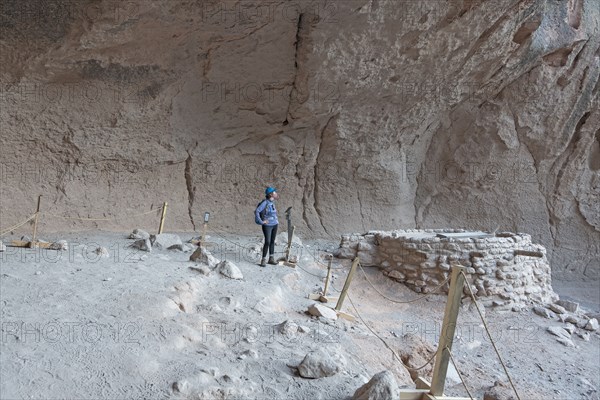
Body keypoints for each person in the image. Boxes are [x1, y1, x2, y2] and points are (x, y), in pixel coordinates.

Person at [255, 187, 279, 267]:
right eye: (274, 192)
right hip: (268, 225)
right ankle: (263, 259)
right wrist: (262, 222)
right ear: (270, 194)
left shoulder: (272, 202)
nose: (276, 193)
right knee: (267, 241)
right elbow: (257, 211)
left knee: (272, 241)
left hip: (275, 224)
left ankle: (271, 258)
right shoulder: (265, 202)